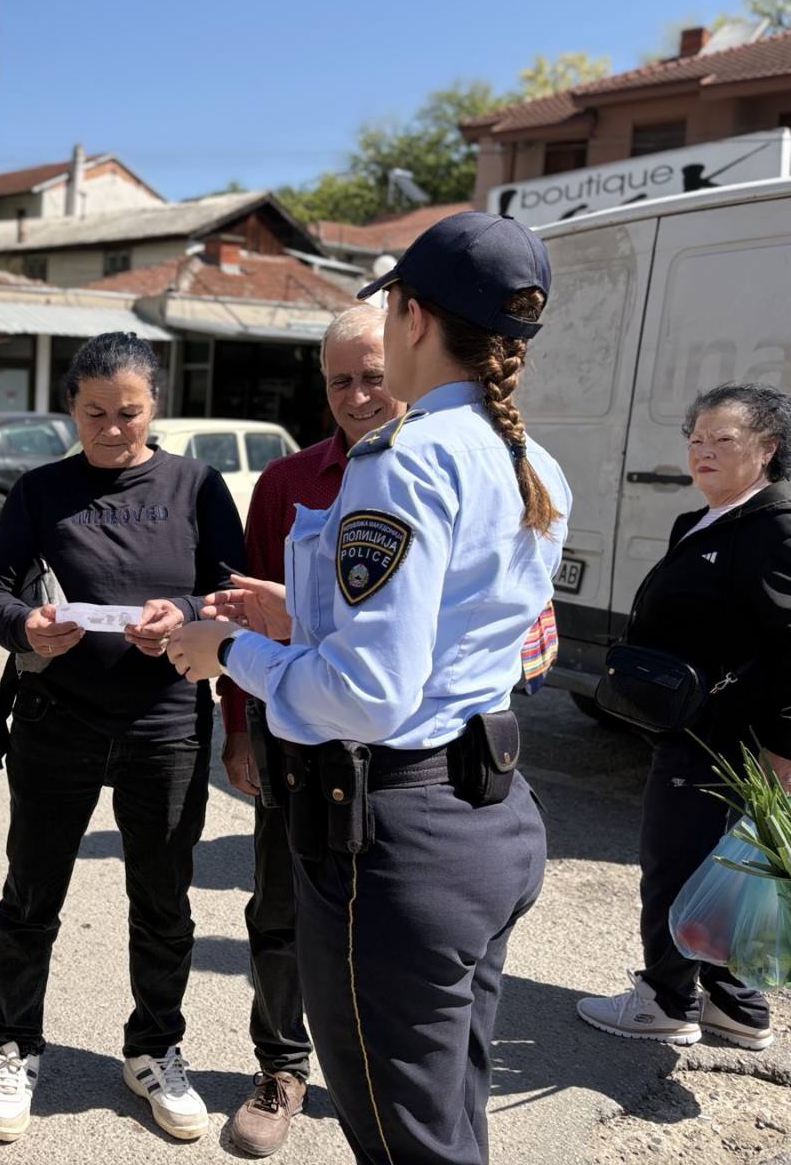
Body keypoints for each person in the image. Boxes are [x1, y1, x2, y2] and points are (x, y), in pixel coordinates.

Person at [169, 211, 571, 1165]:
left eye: (390, 308)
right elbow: (452, 631)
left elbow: (367, 694)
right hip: (489, 818)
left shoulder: (404, 459)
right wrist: (298, 611)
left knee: (405, 1143)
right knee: (447, 1119)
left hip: (397, 844)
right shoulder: (528, 458)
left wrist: (228, 651)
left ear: (413, 316)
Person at [0, 331, 246, 1144]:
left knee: (162, 901)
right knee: (31, 896)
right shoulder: (40, 490)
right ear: (71, 408)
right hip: (57, 720)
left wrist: (184, 613)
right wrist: (27, 625)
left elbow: (229, 593)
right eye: (95, 413)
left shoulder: (197, 485)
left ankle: (154, 1049)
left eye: (128, 412)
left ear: (154, 406)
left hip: (166, 723)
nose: (113, 429)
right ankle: (15, 1046)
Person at [214, 303, 403, 1157]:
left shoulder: (438, 476)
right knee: (280, 910)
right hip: (294, 741)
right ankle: (282, 1067)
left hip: (400, 751)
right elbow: (244, 616)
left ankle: (384, 1072)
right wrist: (238, 731)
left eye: (374, 376)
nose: (358, 396)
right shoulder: (286, 482)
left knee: (394, 919)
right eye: (340, 381)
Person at [576, 382, 791, 1051]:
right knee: (721, 870)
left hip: (727, 739)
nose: (703, 451)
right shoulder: (703, 518)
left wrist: (784, 747)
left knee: (676, 865)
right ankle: (736, 1005)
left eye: (723, 439)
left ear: (767, 449)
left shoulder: (776, 527)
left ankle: (665, 1002)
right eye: (696, 439)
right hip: (695, 726)